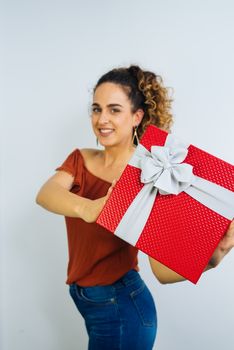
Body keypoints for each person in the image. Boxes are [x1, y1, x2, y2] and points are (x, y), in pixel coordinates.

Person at [36, 65, 234, 350]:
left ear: (136, 116)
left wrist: (216, 255)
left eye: (114, 110)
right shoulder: (80, 158)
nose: (101, 119)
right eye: (96, 109)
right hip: (88, 301)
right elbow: (46, 194)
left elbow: (162, 273)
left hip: (121, 307)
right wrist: (91, 208)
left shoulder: (150, 175)